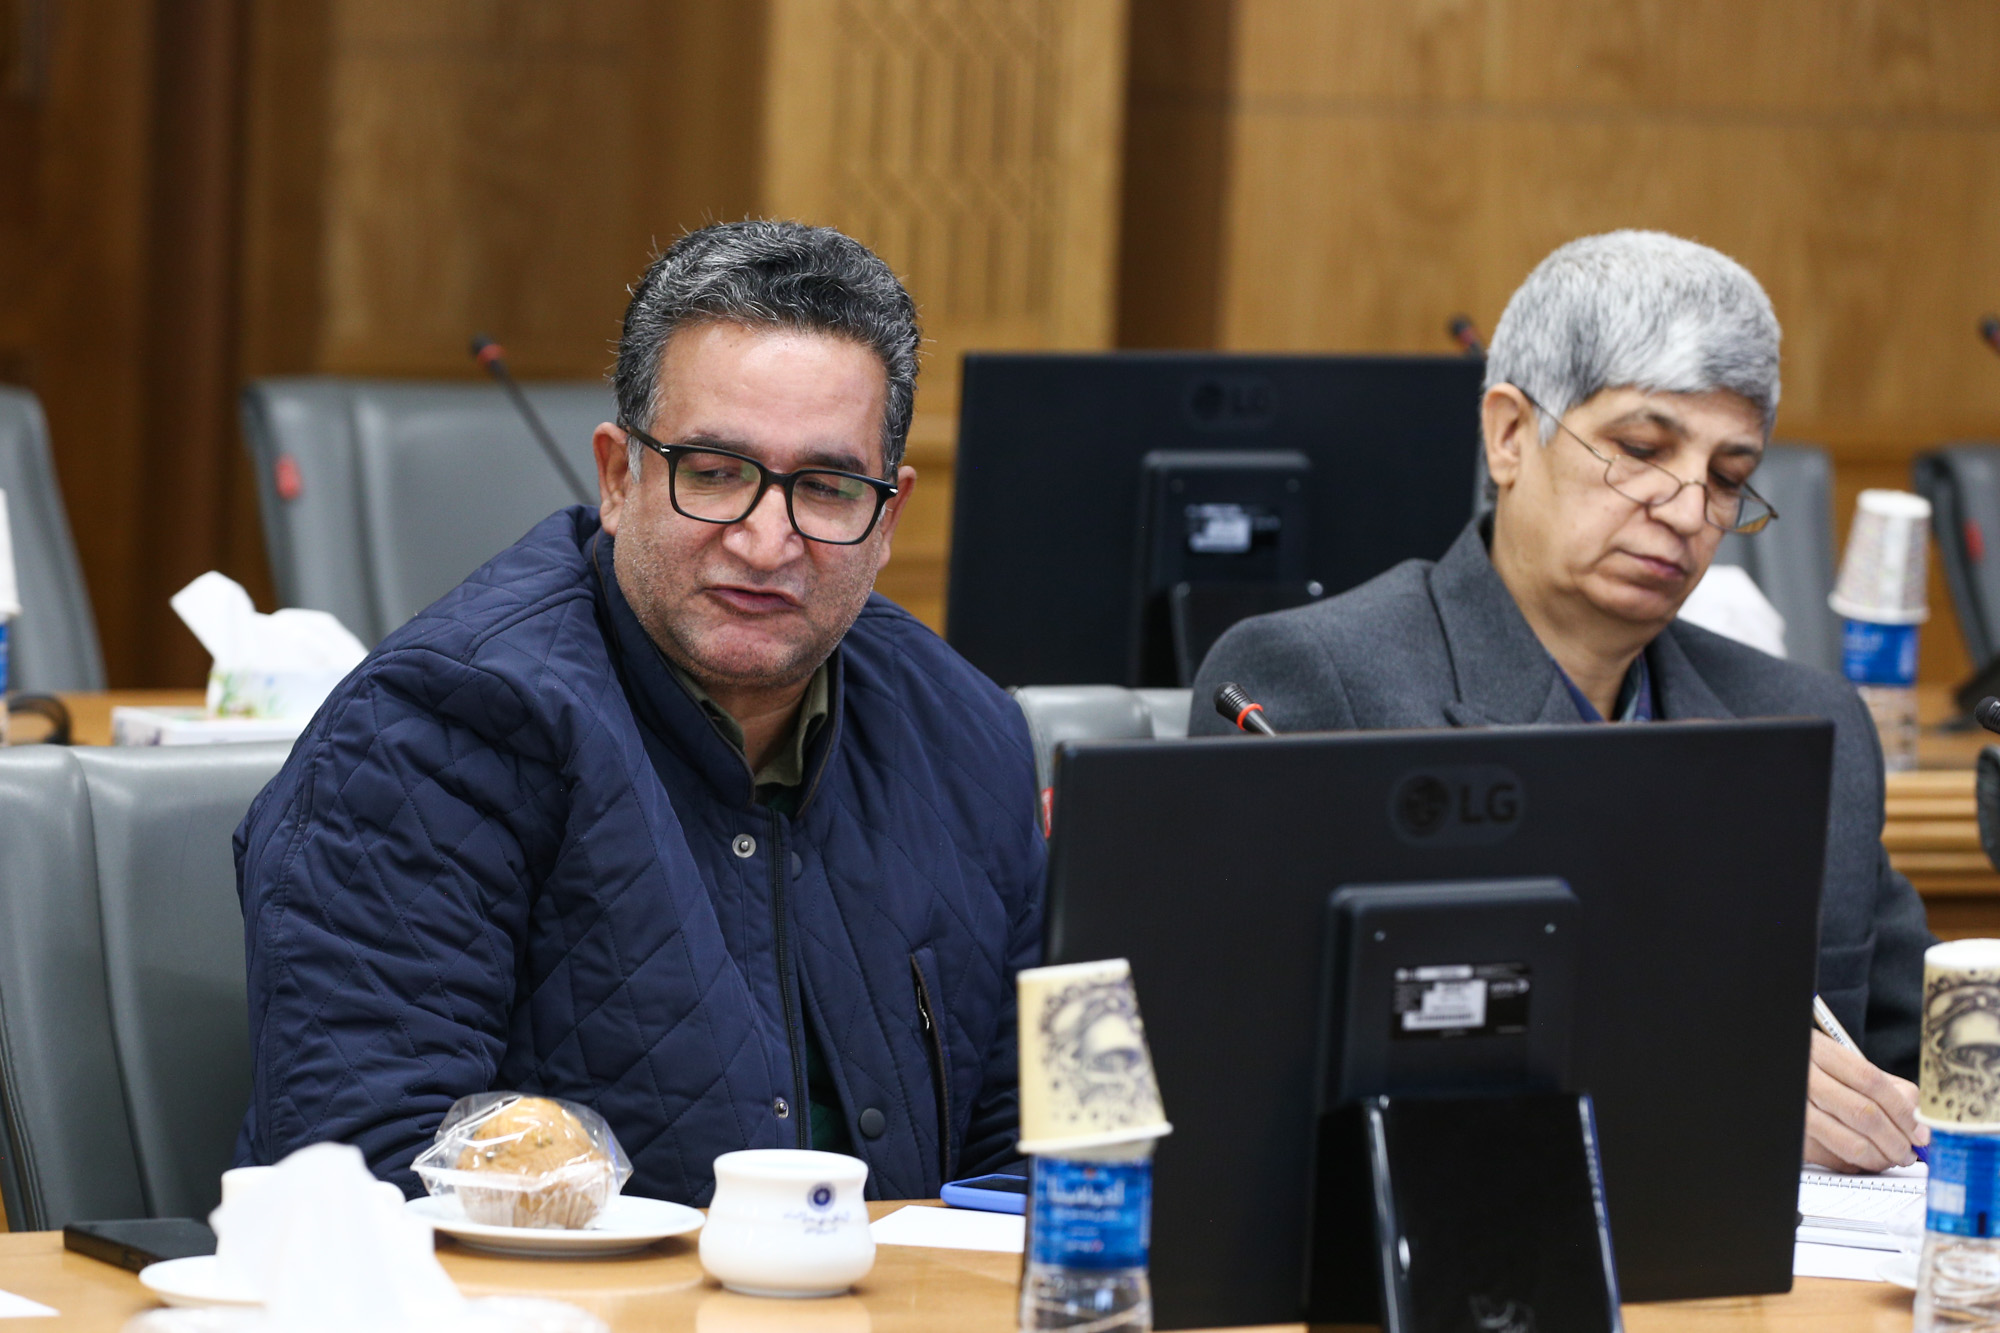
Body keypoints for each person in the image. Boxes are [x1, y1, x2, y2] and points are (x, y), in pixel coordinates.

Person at [233, 221, 1045, 1203]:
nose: (766, 541)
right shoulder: (435, 734)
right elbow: (367, 1174)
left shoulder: (968, 734)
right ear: (620, 478)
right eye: (714, 472)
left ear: (887, 519)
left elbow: (1047, 1158)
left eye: (826, 489)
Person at [1191, 230, 1933, 1173]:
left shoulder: (1804, 721)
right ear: (1510, 434)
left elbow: (1936, 1045)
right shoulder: (1321, 682)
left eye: (1727, 478)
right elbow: (1257, 1076)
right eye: (1640, 449)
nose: (1687, 510)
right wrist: (1706, 1092)